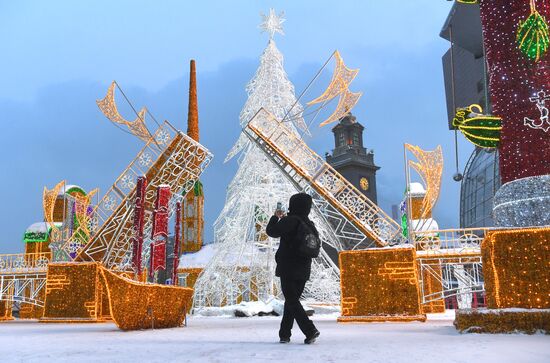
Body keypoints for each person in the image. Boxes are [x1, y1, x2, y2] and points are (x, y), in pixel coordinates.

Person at [266, 193, 320, 345]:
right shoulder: (310, 224)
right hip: (304, 268)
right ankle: (284, 334)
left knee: (292, 301)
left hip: (289, 267)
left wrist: (275, 217)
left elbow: (271, 231)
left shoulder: (291, 220)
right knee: (291, 301)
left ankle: (310, 330)